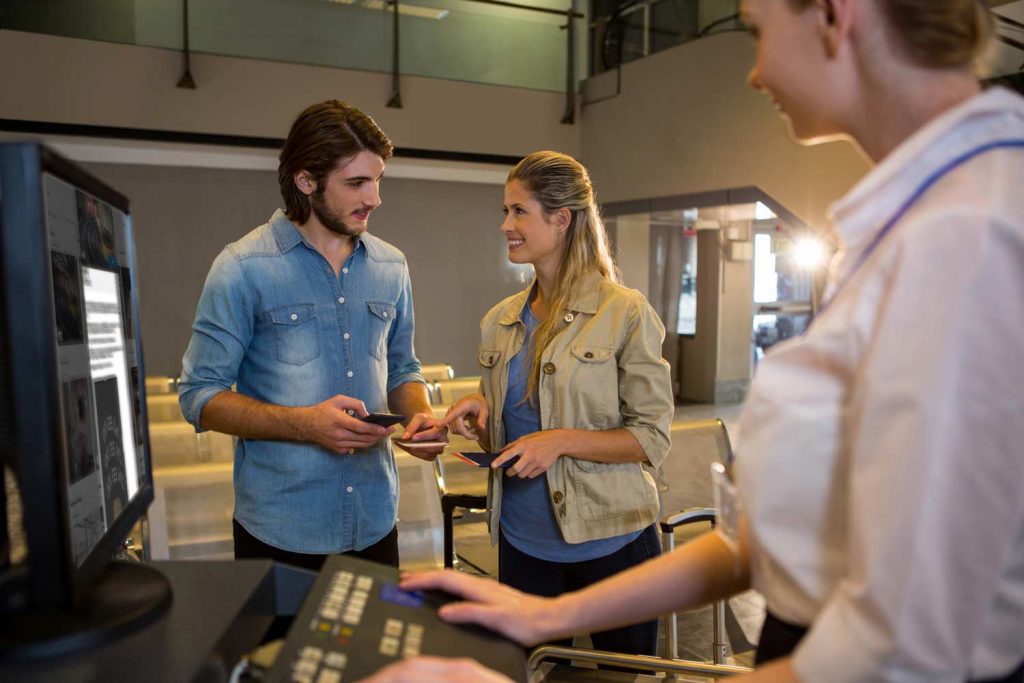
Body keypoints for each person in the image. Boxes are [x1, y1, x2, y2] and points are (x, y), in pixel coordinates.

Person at [360, 0, 1024, 681]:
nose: (756, 72)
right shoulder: (905, 227)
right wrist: (544, 618)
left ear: (835, 13)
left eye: (758, 29)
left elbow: (903, 652)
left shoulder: (967, 239)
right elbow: (750, 542)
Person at [178, 100, 445, 571]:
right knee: (276, 651)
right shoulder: (241, 268)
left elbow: (403, 367)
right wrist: (305, 424)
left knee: (370, 649)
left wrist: (420, 415)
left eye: (378, 179)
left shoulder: (391, 266)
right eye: (357, 183)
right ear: (306, 182)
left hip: (375, 521)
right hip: (279, 530)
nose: (375, 197)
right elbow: (200, 395)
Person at [440, 151, 674, 658]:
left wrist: (560, 442)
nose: (506, 225)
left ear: (561, 218)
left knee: (619, 677)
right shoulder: (498, 320)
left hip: (613, 545)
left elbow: (651, 437)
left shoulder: (624, 312)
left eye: (518, 211)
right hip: (524, 544)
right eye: (505, 212)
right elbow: (511, 439)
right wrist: (482, 418)